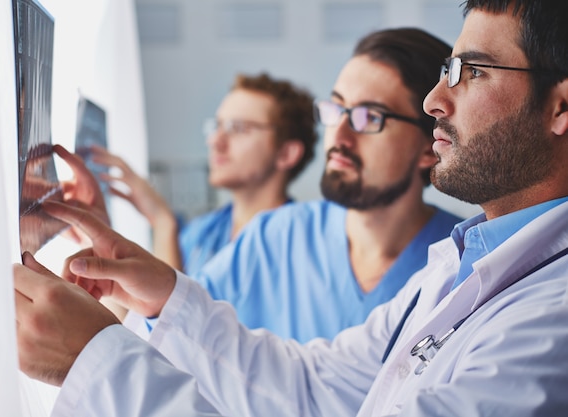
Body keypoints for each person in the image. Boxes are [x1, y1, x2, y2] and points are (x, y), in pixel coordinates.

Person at [14, 1, 568, 416]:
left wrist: (99, 364)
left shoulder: (549, 324)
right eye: (337, 110)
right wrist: (165, 295)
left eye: (474, 72)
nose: (435, 102)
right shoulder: (456, 264)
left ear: (561, 106)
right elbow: (314, 384)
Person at [160, 28, 463, 343]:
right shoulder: (274, 238)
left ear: (430, 147)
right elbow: (172, 329)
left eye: (370, 117)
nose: (340, 137)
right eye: (337, 110)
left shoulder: (463, 262)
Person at [89, 72, 318, 275]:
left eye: (237, 128)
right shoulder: (201, 233)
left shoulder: (304, 244)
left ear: (286, 153)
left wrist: (163, 222)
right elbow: (144, 319)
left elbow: (178, 317)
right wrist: (102, 234)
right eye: (217, 126)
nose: (214, 141)